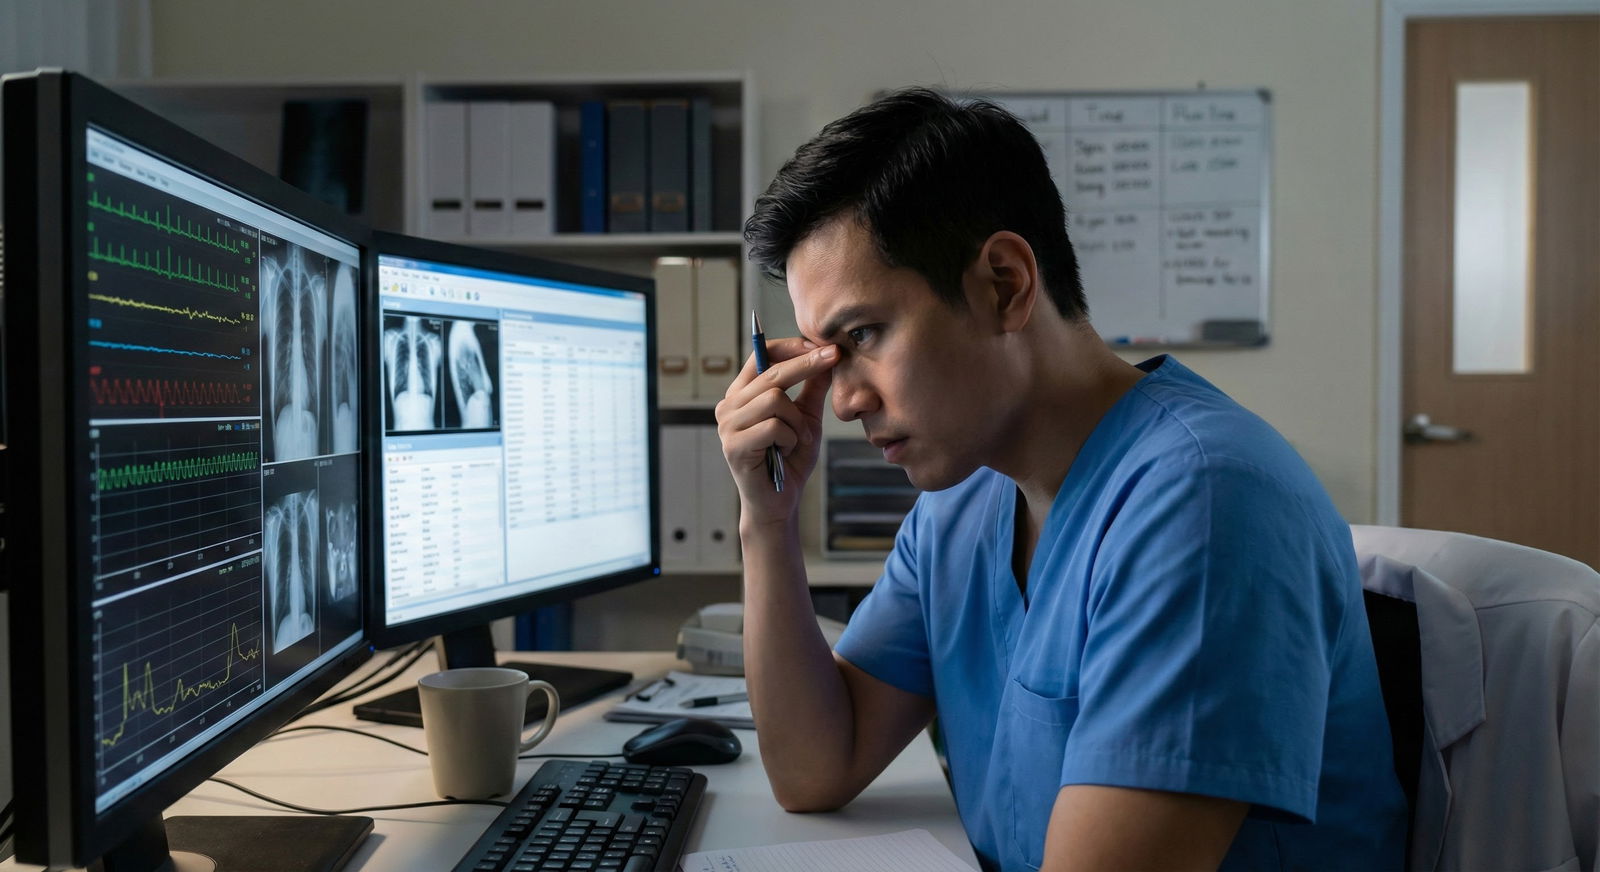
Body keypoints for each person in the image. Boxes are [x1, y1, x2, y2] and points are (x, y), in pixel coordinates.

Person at [715, 88, 1407, 872]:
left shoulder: (1207, 502)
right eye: (826, 356)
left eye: (864, 335)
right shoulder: (962, 503)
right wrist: (765, 522)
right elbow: (814, 768)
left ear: (1005, 284)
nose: (842, 402)